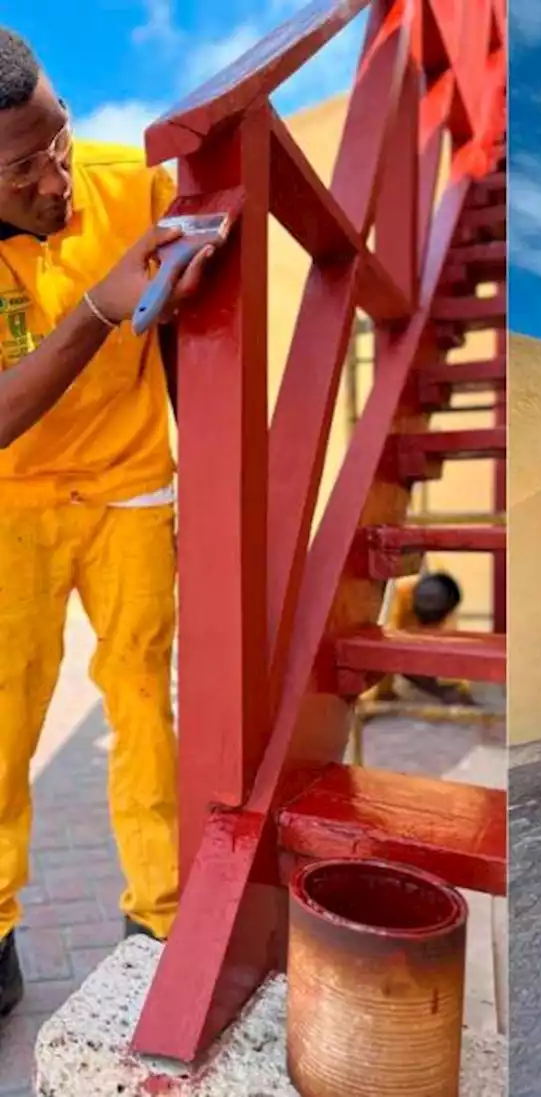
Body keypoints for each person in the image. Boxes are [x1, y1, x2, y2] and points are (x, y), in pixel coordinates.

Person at [0, 28, 219, 1015]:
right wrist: (95, 306)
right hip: (14, 502)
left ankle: (160, 910)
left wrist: (205, 484)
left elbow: (185, 334)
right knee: (5, 721)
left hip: (131, 482)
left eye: (60, 139)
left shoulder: (132, 180)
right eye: (21, 169)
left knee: (141, 699)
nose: (57, 177)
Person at [363, 570, 474, 706]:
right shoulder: (398, 592)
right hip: (395, 635)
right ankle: (383, 693)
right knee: (387, 649)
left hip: (416, 639)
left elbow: (454, 651)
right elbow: (385, 645)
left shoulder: (444, 604)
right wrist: (372, 696)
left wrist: (459, 687)